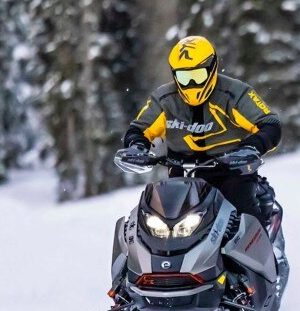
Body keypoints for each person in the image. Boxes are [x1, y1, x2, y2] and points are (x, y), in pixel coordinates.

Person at [116, 35, 288, 296]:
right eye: (185, 78)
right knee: (145, 220)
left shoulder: (234, 94)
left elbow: (269, 124)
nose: (192, 84)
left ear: (212, 68)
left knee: (244, 215)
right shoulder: (165, 99)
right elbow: (140, 128)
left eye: (198, 76)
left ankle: (259, 280)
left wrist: (251, 147)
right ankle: (128, 284)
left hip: (230, 170)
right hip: (180, 174)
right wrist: (138, 147)